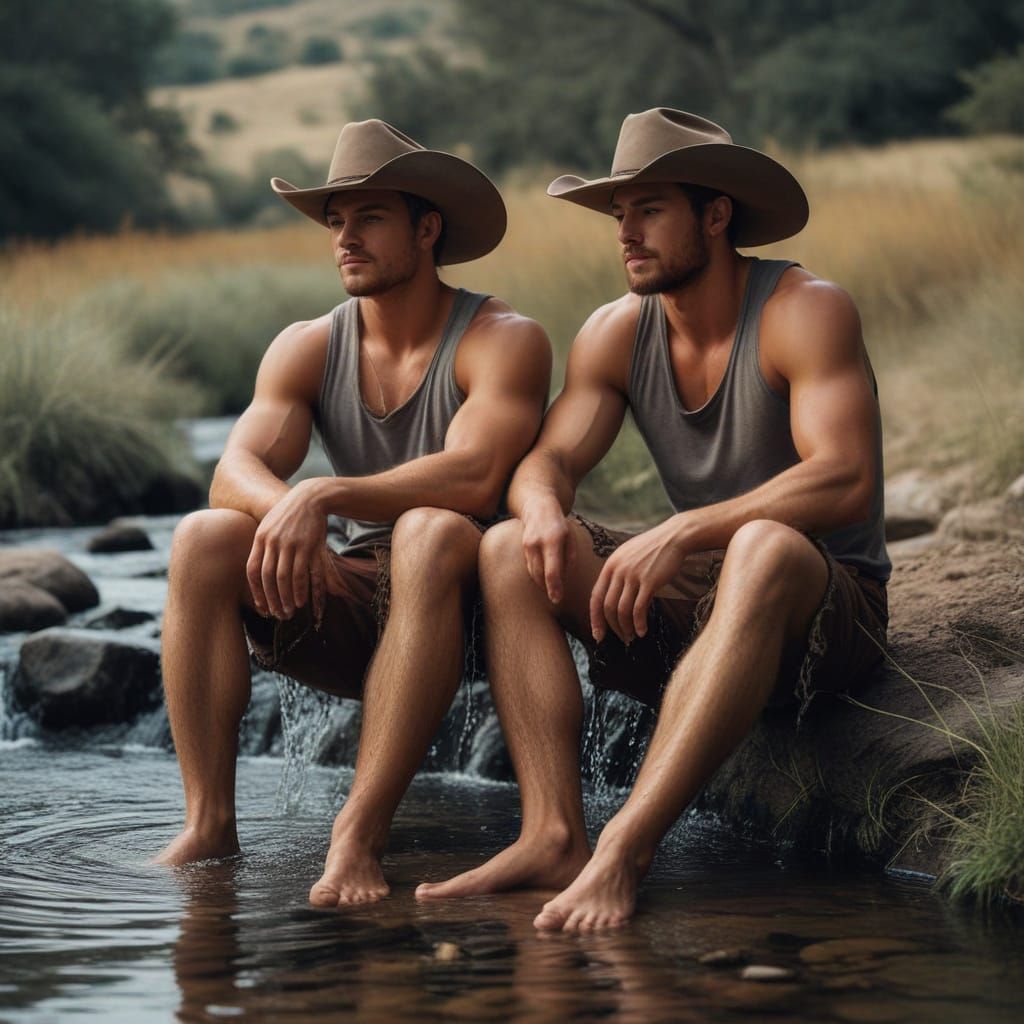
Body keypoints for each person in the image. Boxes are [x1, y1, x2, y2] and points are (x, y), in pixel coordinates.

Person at [416, 108, 890, 931]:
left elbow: (845, 477)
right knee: (504, 548)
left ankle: (624, 850)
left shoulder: (803, 310)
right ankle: (553, 834)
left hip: (826, 609)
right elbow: (548, 462)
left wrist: (680, 529)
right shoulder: (613, 331)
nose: (626, 232)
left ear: (716, 215)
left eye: (650, 209)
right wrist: (538, 516)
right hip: (707, 603)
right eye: (618, 213)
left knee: (764, 548)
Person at [152, 119, 552, 909]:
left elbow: (474, 478)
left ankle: (357, 836)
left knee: (430, 529)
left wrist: (326, 492)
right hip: (358, 600)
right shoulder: (306, 345)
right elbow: (234, 471)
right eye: (336, 221)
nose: (345, 239)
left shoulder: (503, 339)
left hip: (476, 610)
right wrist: (291, 502)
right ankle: (208, 824)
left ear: (426, 228)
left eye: (369, 218)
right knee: (205, 535)